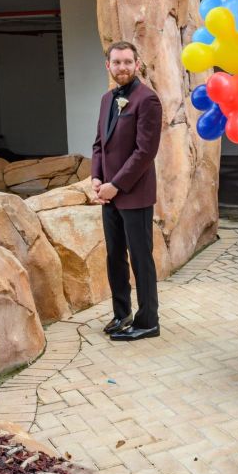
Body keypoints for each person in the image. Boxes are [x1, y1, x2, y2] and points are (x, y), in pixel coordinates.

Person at [91, 41, 163, 342]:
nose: (122, 67)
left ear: (137, 64)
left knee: (140, 258)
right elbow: (99, 143)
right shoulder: (108, 99)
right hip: (108, 195)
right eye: (117, 62)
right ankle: (122, 314)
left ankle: (148, 321)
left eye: (127, 62)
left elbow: (145, 152)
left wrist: (115, 185)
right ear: (108, 65)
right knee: (114, 257)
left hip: (134, 194)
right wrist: (96, 178)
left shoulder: (148, 100)